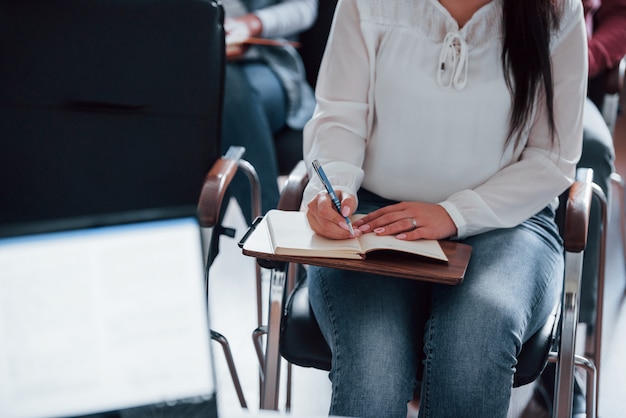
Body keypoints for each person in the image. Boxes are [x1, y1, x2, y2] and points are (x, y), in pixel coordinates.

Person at [300, 1, 587, 417]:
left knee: (477, 334)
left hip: (508, 222)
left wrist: (454, 213)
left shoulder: (557, 10)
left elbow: (553, 159)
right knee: (373, 357)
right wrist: (334, 188)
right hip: (374, 218)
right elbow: (341, 118)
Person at [220, 0, 318, 224]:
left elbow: (303, 8)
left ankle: (269, 231)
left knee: (225, 92)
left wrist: (252, 23)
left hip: (263, 63)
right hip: (190, 70)